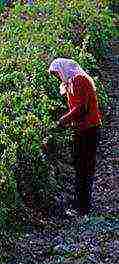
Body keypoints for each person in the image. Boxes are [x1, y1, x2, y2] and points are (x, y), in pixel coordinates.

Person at [48, 58, 102, 216]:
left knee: (84, 166)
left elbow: (81, 108)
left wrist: (62, 121)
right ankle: (80, 202)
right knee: (80, 165)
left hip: (89, 128)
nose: (57, 78)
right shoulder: (70, 82)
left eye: (57, 74)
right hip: (82, 128)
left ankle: (83, 206)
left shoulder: (79, 80)